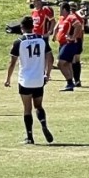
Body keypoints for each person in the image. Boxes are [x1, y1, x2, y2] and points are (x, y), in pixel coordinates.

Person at [4, 16, 54, 145]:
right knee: (38, 106)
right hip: (38, 79)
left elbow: (12, 62)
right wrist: (47, 74)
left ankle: (30, 137)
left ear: (22, 28)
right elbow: (50, 58)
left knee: (27, 108)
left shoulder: (19, 41)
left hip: (25, 80)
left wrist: (8, 78)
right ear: (33, 27)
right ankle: (43, 123)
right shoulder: (42, 40)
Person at [53, 2, 81, 91]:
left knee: (60, 63)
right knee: (67, 63)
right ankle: (70, 82)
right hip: (62, 44)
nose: (58, 11)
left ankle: (70, 82)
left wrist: (73, 37)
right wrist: (55, 36)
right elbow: (57, 28)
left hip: (69, 43)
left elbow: (79, 25)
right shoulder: (62, 18)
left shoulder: (71, 17)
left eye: (60, 9)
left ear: (64, 9)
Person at [68, 2, 85, 87]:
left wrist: (72, 37)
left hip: (74, 40)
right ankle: (77, 80)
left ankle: (74, 80)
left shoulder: (72, 17)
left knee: (73, 61)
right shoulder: (80, 17)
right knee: (77, 60)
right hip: (79, 40)